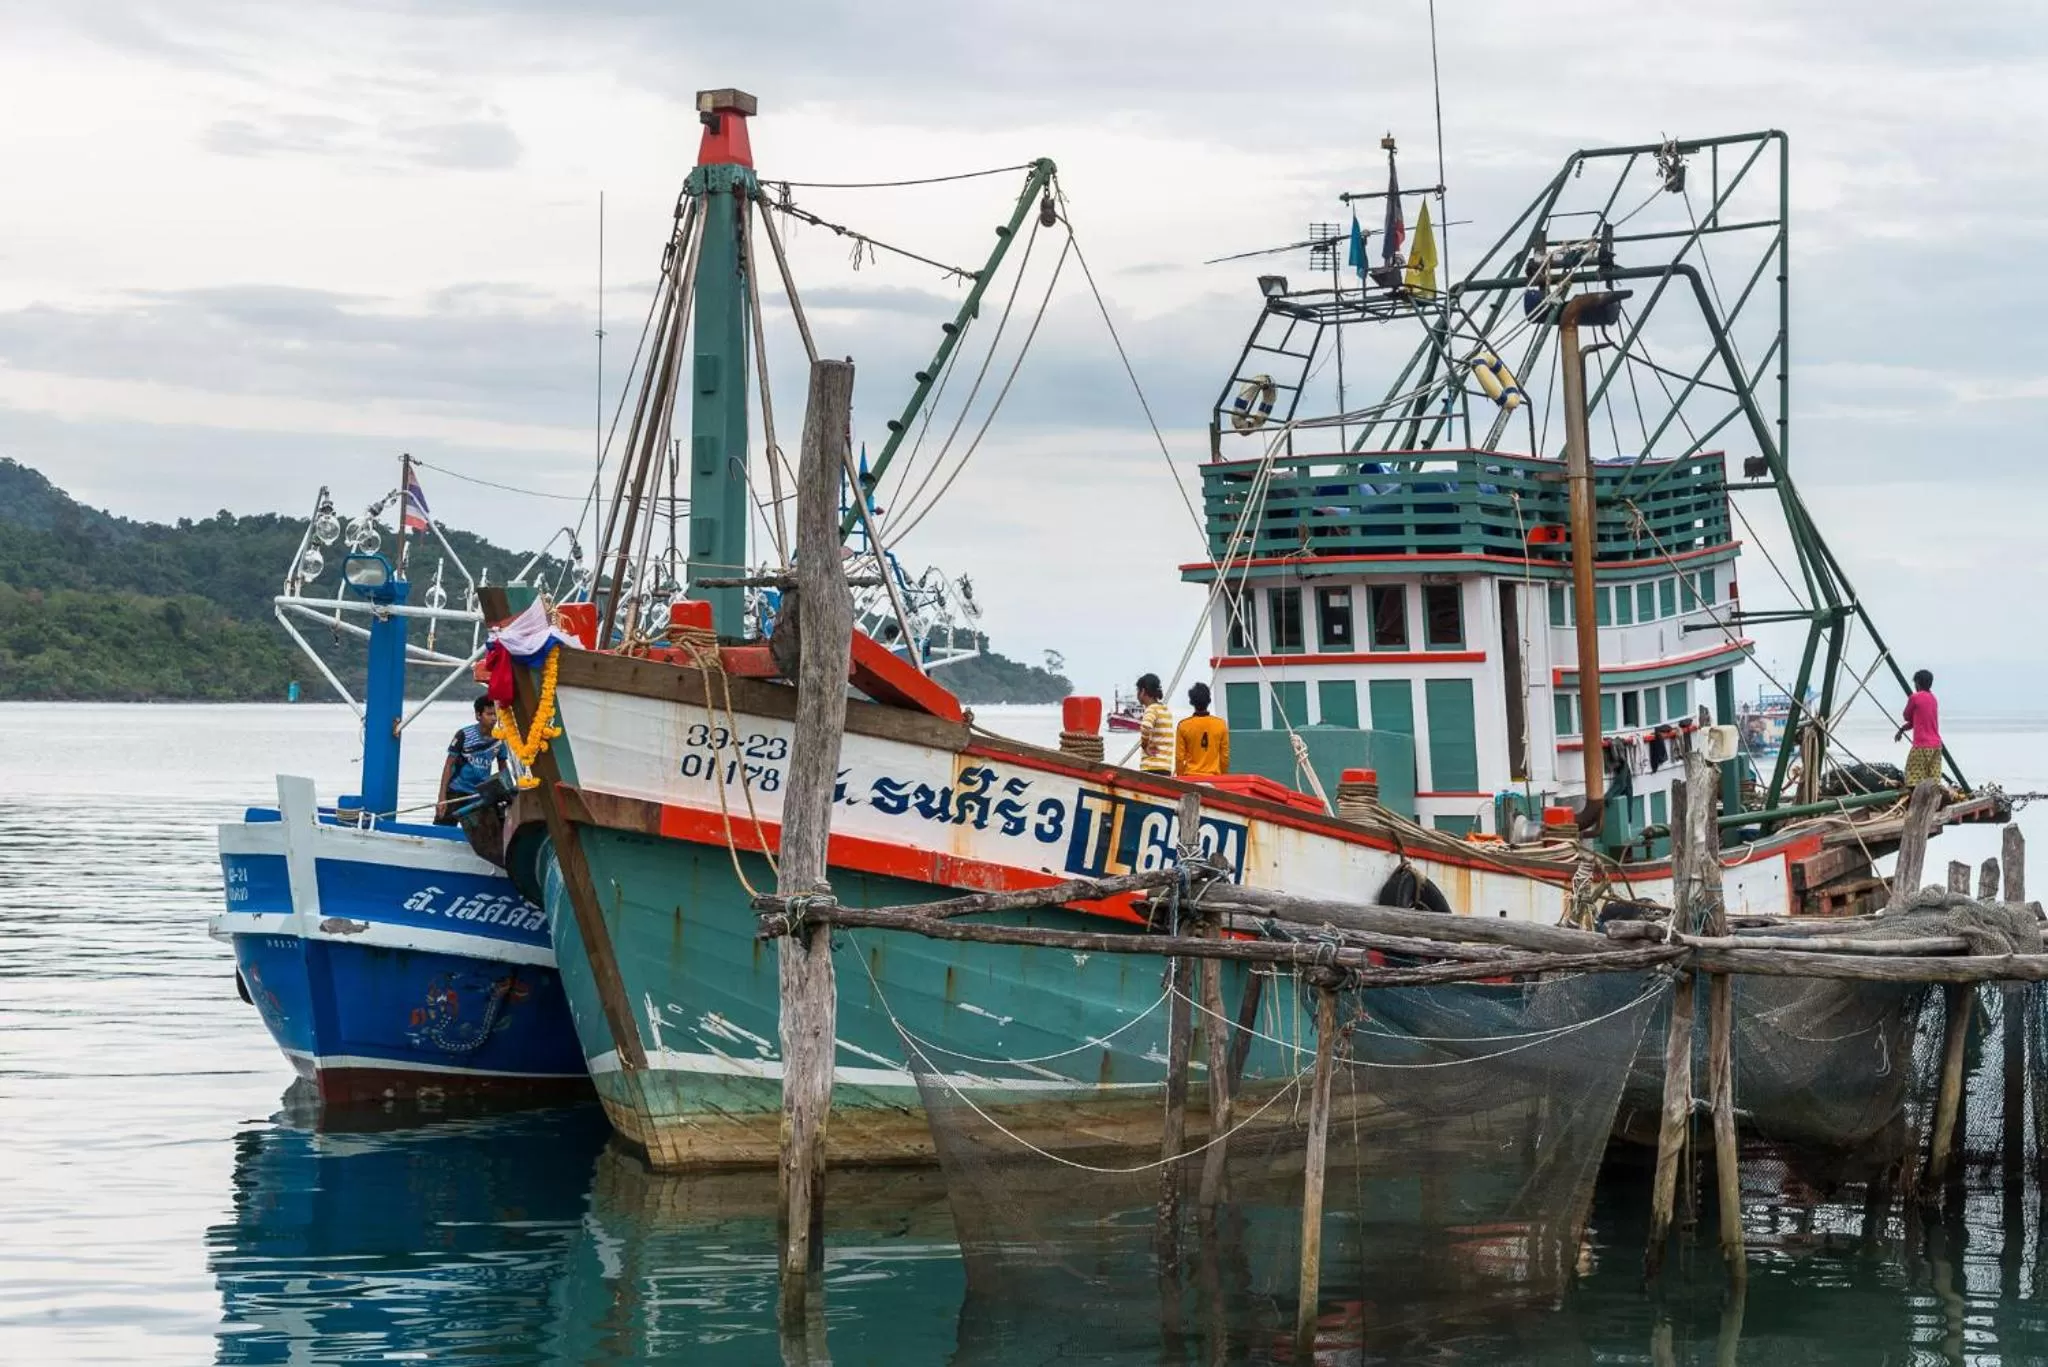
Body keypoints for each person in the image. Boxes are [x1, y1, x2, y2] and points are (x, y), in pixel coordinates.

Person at [438, 696, 507, 824]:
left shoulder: (500, 739)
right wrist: (442, 797)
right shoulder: (464, 735)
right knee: (443, 828)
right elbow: (448, 766)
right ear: (478, 716)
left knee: (486, 830)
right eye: (489, 714)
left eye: (495, 714)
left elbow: (503, 768)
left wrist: (504, 793)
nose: (493, 718)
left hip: (479, 794)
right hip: (456, 791)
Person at [1895, 669, 1943, 791]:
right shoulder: (1933, 698)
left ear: (1917, 682)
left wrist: (1911, 713)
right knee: (1933, 781)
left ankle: (1915, 801)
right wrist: (1902, 729)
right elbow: (1915, 722)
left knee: (1913, 779)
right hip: (1936, 746)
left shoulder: (1915, 698)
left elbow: (1906, 716)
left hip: (1922, 746)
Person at [1176, 682, 1230, 777]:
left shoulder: (1183, 726)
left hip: (1191, 777)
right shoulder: (1221, 724)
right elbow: (1224, 757)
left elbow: (1179, 758)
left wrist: (1181, 776)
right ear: (1209, 700)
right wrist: (1223, 776)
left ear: (1191, 702)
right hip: (1214, 778)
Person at [1135, 673, 1175, 775]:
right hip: (1166, 768)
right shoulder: (1165, 711)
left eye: (1137, 690)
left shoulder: (1151, 709)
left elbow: (1146, 727)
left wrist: (1144, 746)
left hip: (1151, 767)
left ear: (1143, 691)